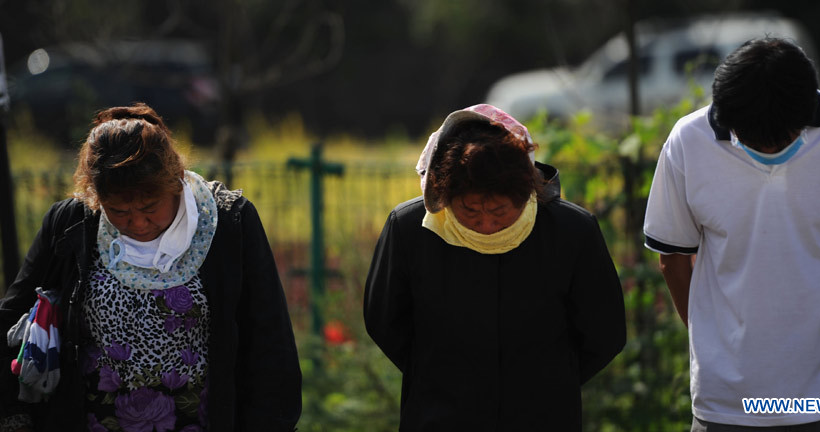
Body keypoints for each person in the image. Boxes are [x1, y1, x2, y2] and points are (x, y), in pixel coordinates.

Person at [644, 37, 820, 431]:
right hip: (729, 404)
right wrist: (715, 345)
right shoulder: (688, 142)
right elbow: (672, 260)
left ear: (806, 108)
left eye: (775, 138)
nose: (762, 146)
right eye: (748, 136)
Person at [0, 103, 302, 431]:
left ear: (174, 183)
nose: (138, 223)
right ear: (96, 197)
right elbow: (11, 319)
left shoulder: (229, 224)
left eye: (149, 207)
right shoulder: (72, 224)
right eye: (119, 210)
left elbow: (270, 343)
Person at [364, 104, 626, 431]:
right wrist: (439, 377)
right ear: (444, 195)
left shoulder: (572, 231)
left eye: (500, 211)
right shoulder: (409, 230)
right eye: (471, 211)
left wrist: (547, 383)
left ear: (526, 192)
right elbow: (384, 321)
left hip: (543, 417)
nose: (486, 225)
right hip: (439, 417)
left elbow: (605, 333)